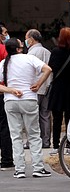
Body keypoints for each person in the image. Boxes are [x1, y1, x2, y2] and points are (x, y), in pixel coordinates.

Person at [0, 37, 52, 179]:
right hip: (29, 99)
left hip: (10, 101)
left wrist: (10, 90)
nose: (23, 43)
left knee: (15, 136)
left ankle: (19, 169)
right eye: (20, 43)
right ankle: (38, 168)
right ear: (18, 49)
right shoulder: (29, 58)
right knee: (34, 135)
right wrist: (38, 84)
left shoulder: (4, 63)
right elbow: (48, 69)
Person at [48, 27, 70, 155]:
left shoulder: (55, 51)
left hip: (58, 88)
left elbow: (51, 68)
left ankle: (55, 146)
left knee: (56, 119)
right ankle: (68, 145)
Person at [25, 29, 52, 148]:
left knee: (32, 116)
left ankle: (32, 141)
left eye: (26, 38)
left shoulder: (30, 54)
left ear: (31, 39)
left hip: (34, 88)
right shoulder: (47, 52)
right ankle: (46, 141)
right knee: (45, 115)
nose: (25, 41)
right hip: (47, 87)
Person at [0, 24, 14, 171]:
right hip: (3, 90)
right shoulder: (3, 50)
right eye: (4, 33)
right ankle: (6, 159)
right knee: (5, 125)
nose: (6, 35)